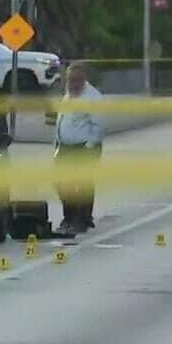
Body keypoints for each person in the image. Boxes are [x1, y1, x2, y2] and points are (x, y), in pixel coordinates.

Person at [54, 63, 104, 234]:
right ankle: (69, 217)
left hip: (84, 147)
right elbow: (62, 119)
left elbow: (98, 126)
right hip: (65, 147)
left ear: (83, 80)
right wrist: (58, 143)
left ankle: (81, 220)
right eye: (70, 80)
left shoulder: (93, 98)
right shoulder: (68, 95)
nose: (72, 84)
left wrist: (89, 148)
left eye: (76, 80)